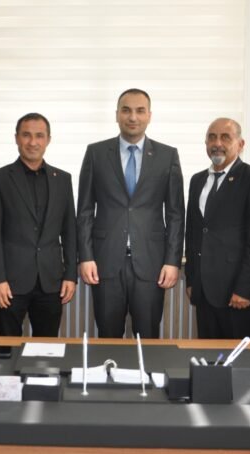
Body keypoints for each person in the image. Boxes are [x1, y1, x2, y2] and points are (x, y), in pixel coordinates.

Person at [77, 88, 185, 338]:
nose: (133, 117)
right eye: (126, 110)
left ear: (149, 115)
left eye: (140, 111)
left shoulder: (167, 155)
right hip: (105, 262)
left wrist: (172, 260)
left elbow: (175, 214)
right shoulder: (96, 153)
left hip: (151, 263)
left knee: (147, 337)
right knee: (108, 337)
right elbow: (84, 211)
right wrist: (86, 256)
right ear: (117, 114)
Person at [0, 113, 77, 337]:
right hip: (10, 283)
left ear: (48, 140)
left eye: (39, 136)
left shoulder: (63, 180)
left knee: (47, 349)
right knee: (7, 348)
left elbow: (69, 232)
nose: (33, 142)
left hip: (51, 282)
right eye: (26, 135)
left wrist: (70, 275)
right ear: (16, 138)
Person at [184, 118, 250, 339]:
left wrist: (245, 289)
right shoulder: (197, 181)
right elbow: (193, 233)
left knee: (242, 360)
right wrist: (192, 280)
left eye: (225, 137)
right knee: (209, 359)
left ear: (241, 144)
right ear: (205, 143)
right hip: (204, 293)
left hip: (239, 295)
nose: (217, 143)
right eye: (212, 137)